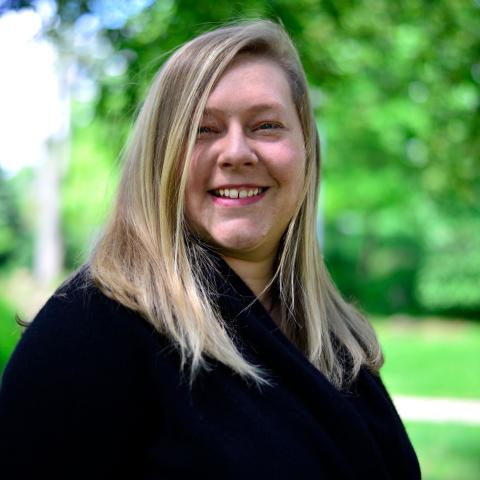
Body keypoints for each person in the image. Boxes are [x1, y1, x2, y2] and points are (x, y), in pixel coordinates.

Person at [0, 20, 420, 479]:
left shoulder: (338, 343)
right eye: (204, 129)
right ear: (161, 158)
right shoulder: (90, 331)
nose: (236, 152)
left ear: (306, 152)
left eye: (266, 125)